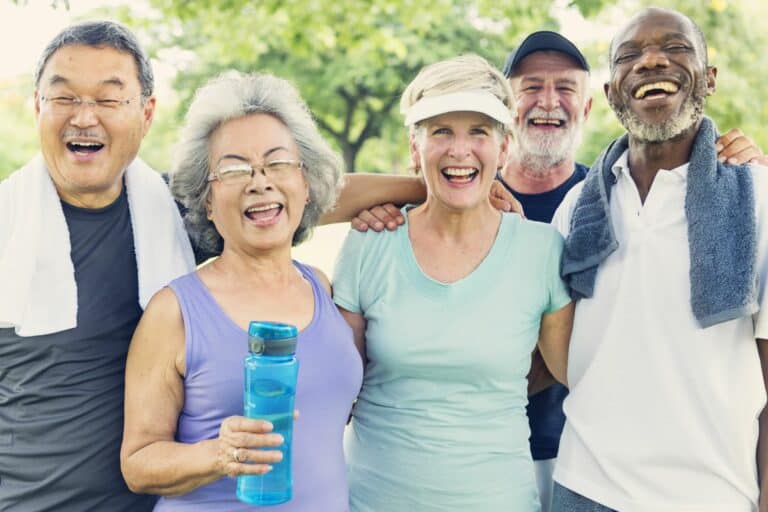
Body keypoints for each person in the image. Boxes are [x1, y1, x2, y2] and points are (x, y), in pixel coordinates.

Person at [333, 54, 573, 511]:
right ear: (414, 147)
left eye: (478, 132)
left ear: (504, 149)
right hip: (372, 500)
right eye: (440, 131)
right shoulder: (369, 243)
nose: (459, 150)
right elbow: (336, 392)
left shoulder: (542, 251)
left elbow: (577, 374)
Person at [550, 7, 768, 511]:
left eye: (675, 48)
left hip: (713, 495)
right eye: (629, 55)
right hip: (584, 487)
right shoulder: (576, 207)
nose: (651, 61)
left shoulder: (756, 199)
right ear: (611, 94)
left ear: (708, 79)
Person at [120, 71, 363, 511]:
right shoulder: (174, 311)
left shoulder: (322, 287)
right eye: (233, 169)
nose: (260, 181)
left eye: (278, 163)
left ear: (305, 185)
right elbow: (137, 463)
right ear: (207, 200)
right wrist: (217, 453)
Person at [0, 21, 195, 511]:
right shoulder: (9, 225)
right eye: (64, 98)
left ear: (146, 114)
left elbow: (298, 194)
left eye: (108, 100)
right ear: (39, 106)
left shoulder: (176, 216)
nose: (84, 117)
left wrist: (417, 198)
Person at [497, 31, 593, 512]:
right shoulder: (463, 193)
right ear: (504, 106)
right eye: (531, 86)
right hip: (481, 454)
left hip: (583, 459)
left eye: (566, 88)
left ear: (589, 109)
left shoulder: (611, 197)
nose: (548, 102)